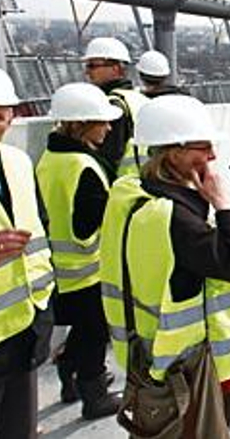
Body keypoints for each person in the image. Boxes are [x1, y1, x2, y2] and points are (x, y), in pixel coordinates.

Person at [100, 95, 230, 432]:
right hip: (192, 363)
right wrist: (223, 205)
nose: (212, 155)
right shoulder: (173, 217)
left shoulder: (132, 194)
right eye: (203, 146)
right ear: (173, 151)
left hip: (153, 348)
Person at [34, 82, 123, 418]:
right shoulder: (84, 166)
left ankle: (69, 374)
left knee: (83, 331)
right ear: (81, 123)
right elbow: (94, 221)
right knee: (93, 334)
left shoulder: (49, 157)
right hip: (86, 269)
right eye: (102, 121)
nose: (109, 127)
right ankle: (95, 397)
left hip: (55, 267)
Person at [0, 69, 55, 439]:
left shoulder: (19, 161)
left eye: (1, 111)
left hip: (25, 317)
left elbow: (41, 227)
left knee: (19, 426)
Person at [83, 36, 149, 177]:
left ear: (116, 68)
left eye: (93, 66)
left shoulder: (112, 104)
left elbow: (108, 157)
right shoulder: (140, 98)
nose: (87, 72)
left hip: (121, 187)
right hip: (144, 183)